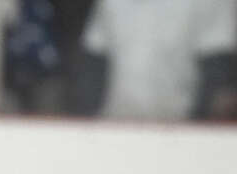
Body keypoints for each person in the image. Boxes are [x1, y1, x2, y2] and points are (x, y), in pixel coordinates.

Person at [72, 0, 237, 121]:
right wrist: (89, 121)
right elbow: (94, 64)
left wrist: (198, 129)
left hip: (181, 127)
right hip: (115, 123)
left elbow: (217, 70)